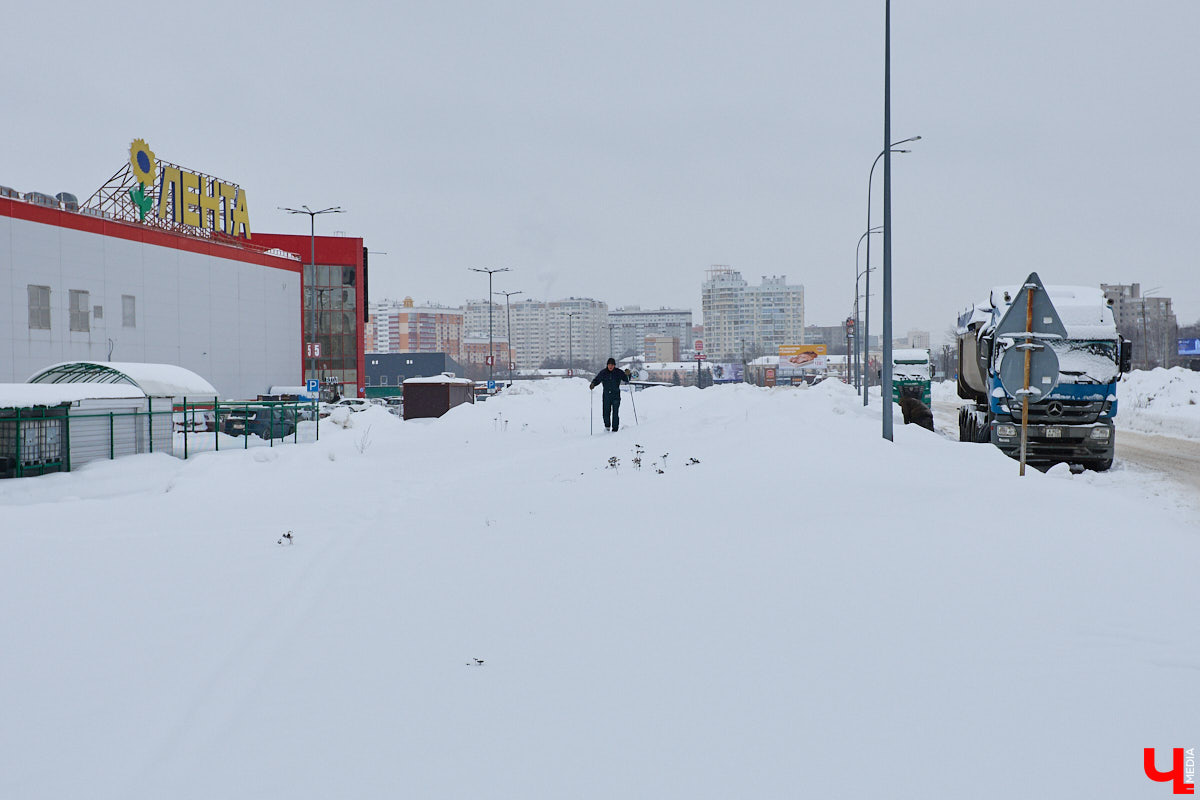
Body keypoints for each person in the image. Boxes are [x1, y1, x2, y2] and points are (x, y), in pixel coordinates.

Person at [589, 357, 630, 432]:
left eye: (612, 365)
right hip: (606, 396)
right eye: (609, 365)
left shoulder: (618, 372)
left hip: (616, 395)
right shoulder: (603, 373)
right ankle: (607, 427)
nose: (610, 366)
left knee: (615, 413)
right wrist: (593, 384)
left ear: (614, 365)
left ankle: (615, 429)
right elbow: (597, 379)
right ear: (607, 365)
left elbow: (626, 379)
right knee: (606, 412)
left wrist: (628, 374)